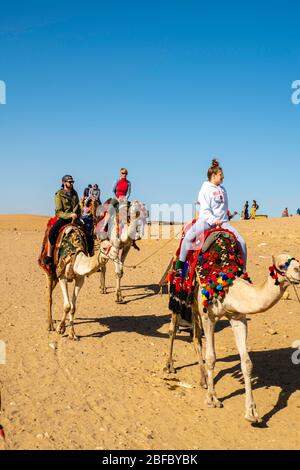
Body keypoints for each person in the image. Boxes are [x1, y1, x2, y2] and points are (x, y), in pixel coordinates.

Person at [176, 159, 247, 275]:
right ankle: (180, 267)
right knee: (188, 238)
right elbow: (205, 209)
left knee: (242, 242)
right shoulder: (205, 189)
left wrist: (224, 218)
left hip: (223, 222)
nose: (223, 177)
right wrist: (214, 220)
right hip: (206, 221)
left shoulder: (223, 189)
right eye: (220, 175)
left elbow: (223, 208)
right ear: (213, 176)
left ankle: (243, 270)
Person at [44, 175, 81, 265]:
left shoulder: (74, 193)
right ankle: (49, 256)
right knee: (52, 232)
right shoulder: (59, 194)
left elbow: (77, 206)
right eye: (69, 182)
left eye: (72, 182)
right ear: (64, 183)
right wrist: (69, 215)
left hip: (75, 218)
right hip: (64, 218)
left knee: (87, 232)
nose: (71, 183)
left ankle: (89, 253)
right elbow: (59, 212)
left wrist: (77, 214)